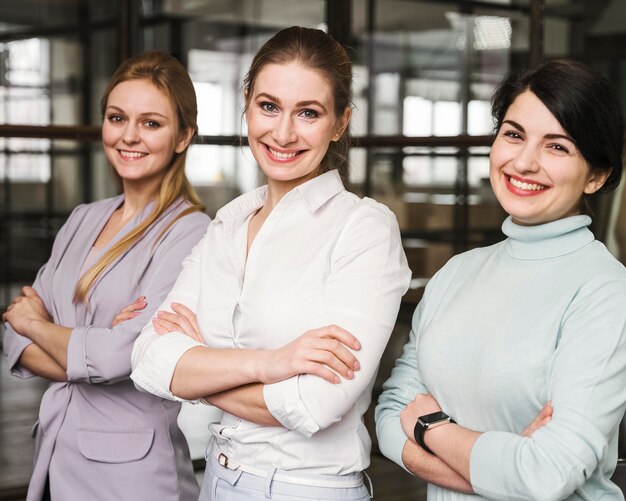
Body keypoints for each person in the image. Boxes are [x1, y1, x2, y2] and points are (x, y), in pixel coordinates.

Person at [131, 26, 411, 500]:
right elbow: (148, 360)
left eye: (308, 112)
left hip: (307, 489)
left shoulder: (363, 229)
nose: (282, 133)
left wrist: (200, 374)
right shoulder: (227, 224)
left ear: (339, 124)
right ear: (247, 105)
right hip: (217, 482)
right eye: (268, 106)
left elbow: (313, 403)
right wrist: (274, 362)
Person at [375, 59, 626, 499]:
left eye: (557, 147)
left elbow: (547, 474)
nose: (524, 162)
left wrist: (429, 426)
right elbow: (390, 413)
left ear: (597, 175)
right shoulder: (457, 273)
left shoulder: (606, 291)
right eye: (513, 134)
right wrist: (492, 469)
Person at [2, 51, 210, 500]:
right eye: (118, 118)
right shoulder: (83, 218)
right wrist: (87, 347)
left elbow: (124, 356)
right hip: (57, 454)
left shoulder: (191, 233)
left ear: (183, 136)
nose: (129, 136)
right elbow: (13, 339)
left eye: (151, 123)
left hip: (131, 477)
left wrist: (38, 325)